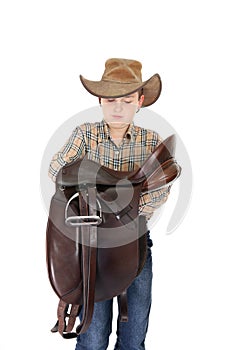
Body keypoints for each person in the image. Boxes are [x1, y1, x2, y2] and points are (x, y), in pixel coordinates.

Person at [49, 58, 171, 350]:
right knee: (92, 337)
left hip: (137, 242)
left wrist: (101, 198)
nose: (118, 108)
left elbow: (160, 191)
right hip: (90, 247)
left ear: (139, 102)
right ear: (101, 100)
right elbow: (57, 170)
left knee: (134, 336)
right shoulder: (84, 134)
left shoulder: (150, 141)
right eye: (111, 100)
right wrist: (124, 199)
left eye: (127, 100)